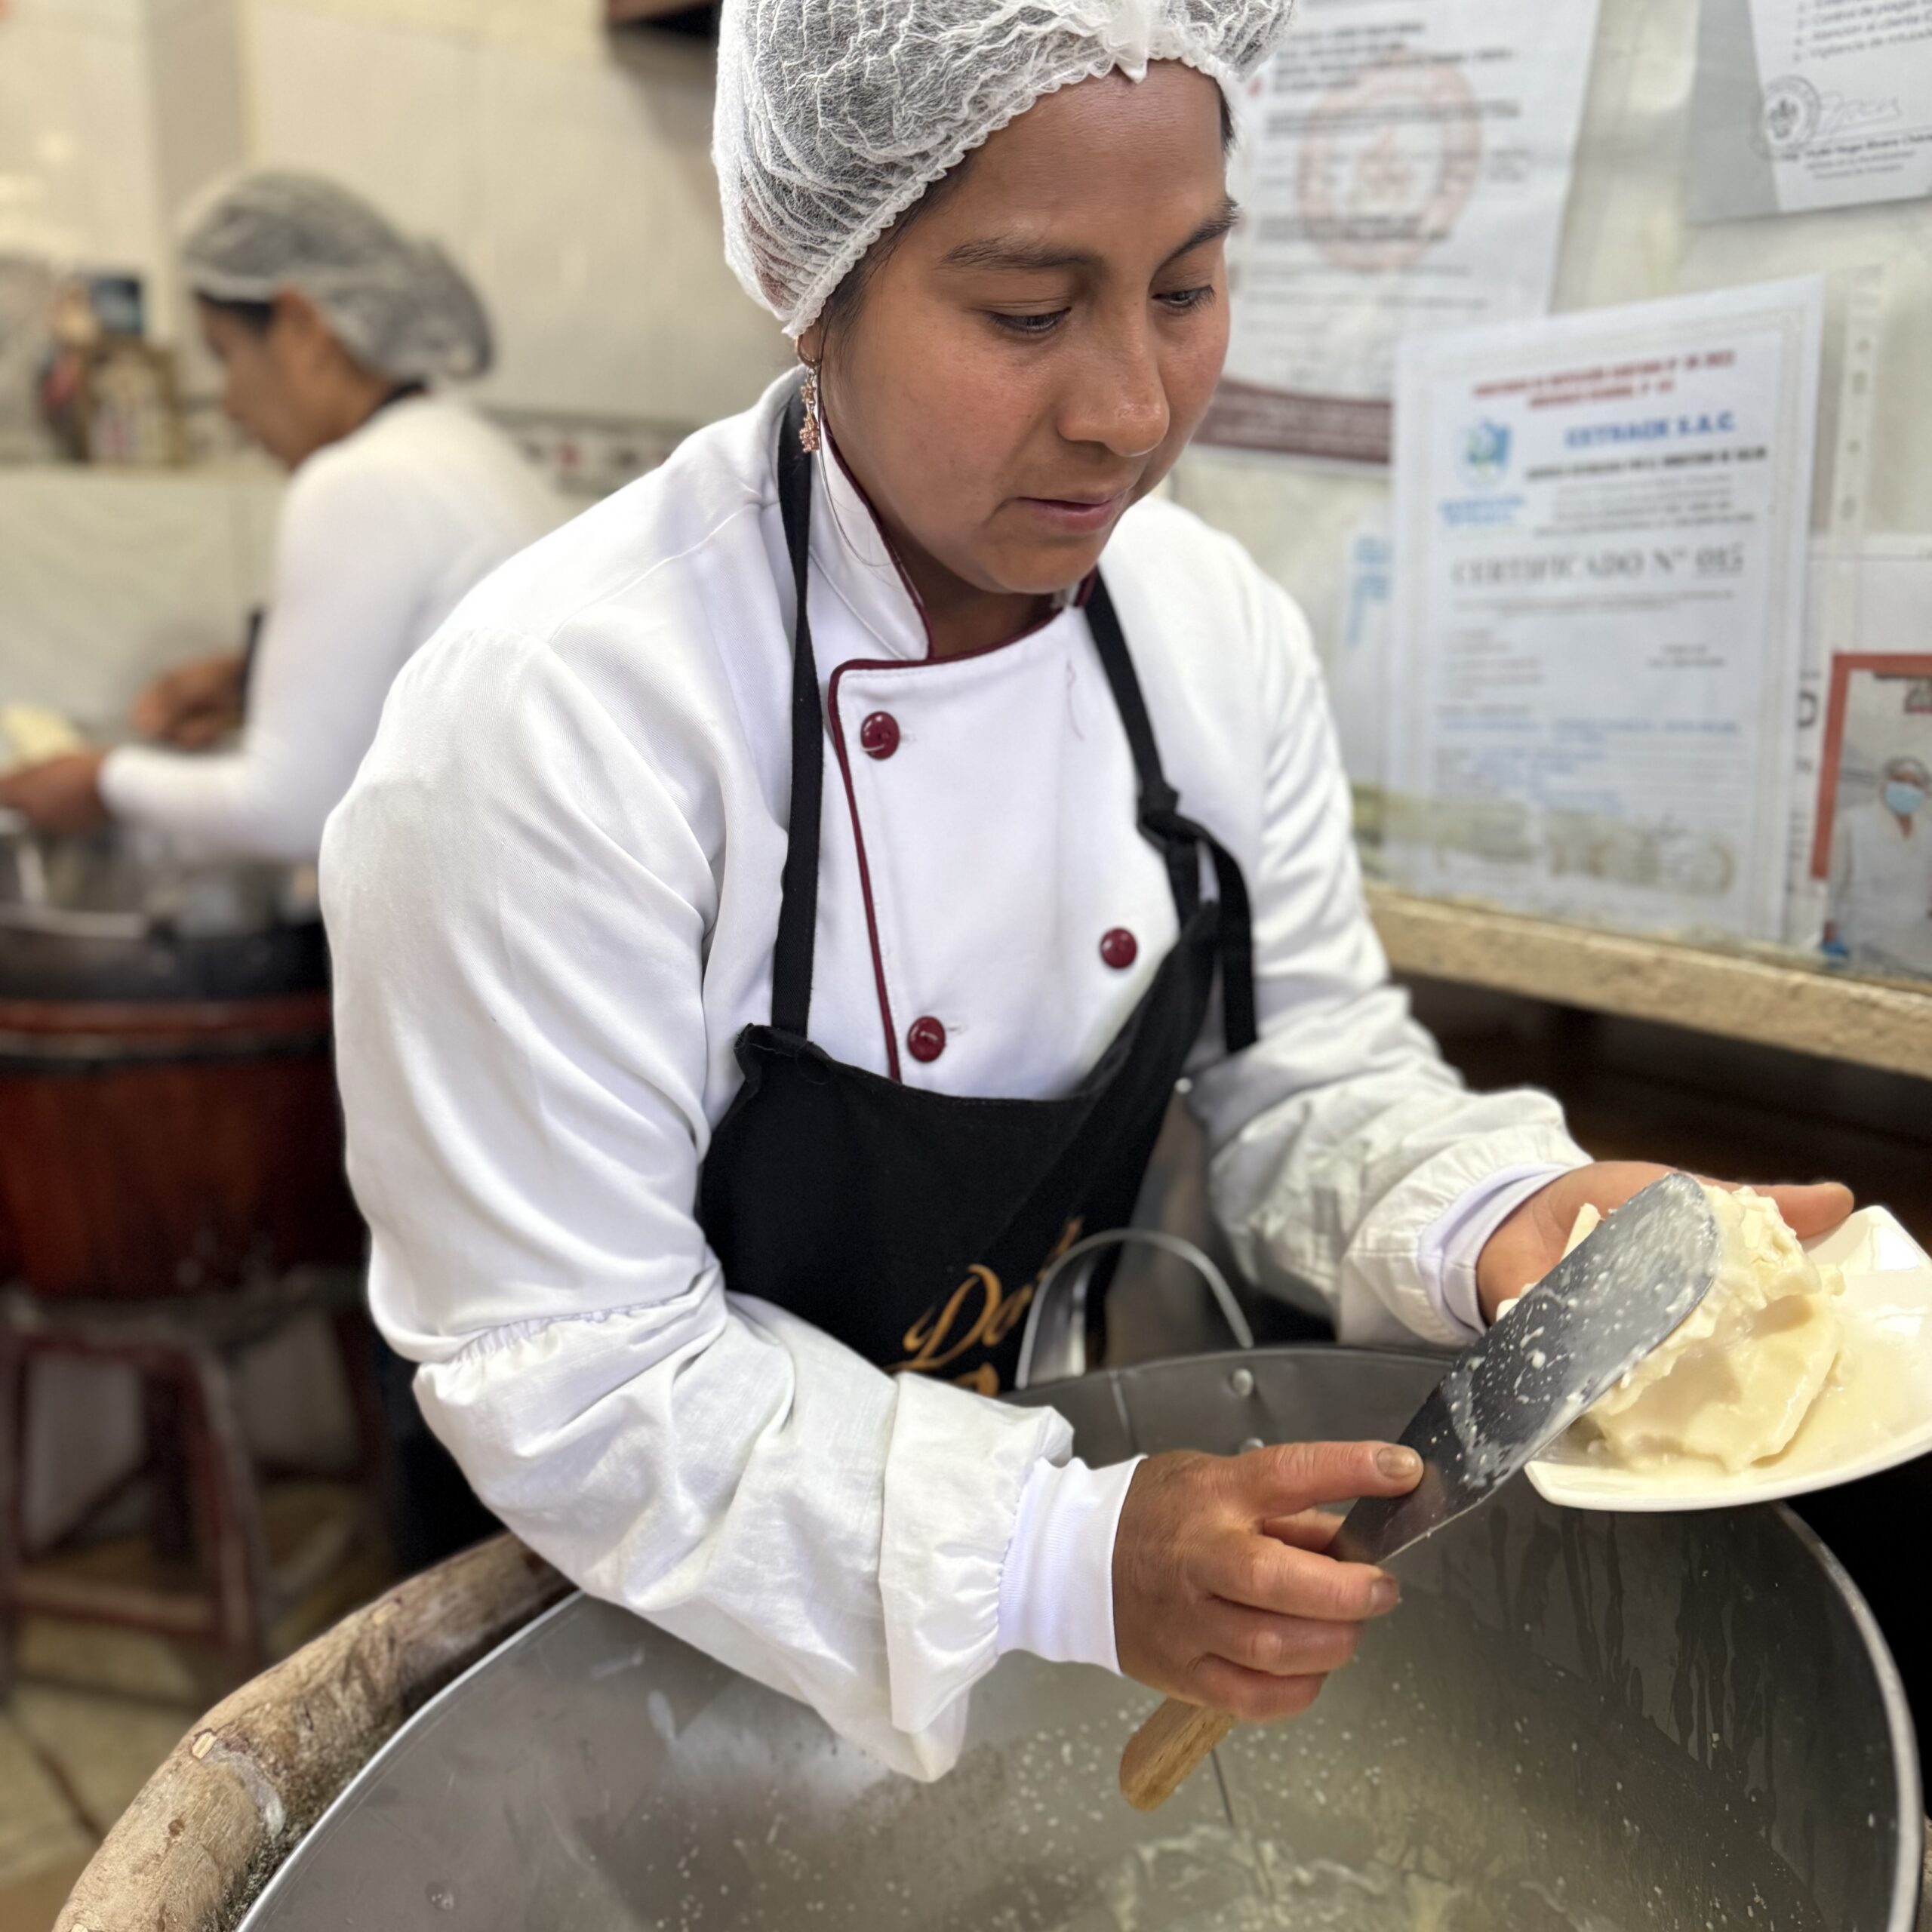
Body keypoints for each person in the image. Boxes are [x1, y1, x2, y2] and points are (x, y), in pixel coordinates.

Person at [320, 0, 1854, 1778]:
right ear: (806, 284)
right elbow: (571, 1365)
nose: (1128, 409)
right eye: (1025, 312)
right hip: (618, 1616)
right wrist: (1047, 1544)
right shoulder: (555, 724)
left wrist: (1492, 1218)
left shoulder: (1205, 632)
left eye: (1186, 288)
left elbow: (1301, 1074)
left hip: (1034, 1569)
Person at [0, 172, 560, 858]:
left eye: (225, 354)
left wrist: (100, 781)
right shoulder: (466, 448)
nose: (230, 404)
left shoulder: (358, 481)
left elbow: (289, 811)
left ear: (300, 324)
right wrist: (247, 678)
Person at [1826, 754, 1932, 975]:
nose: (1907, 789)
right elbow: (1831, 883)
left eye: (1915, 784)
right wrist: (1829, 927)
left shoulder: (1927, 830)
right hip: (1863, 937)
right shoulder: (1852, 823)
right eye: (1901, 781)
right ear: (1885, 784)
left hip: (1915, 936)